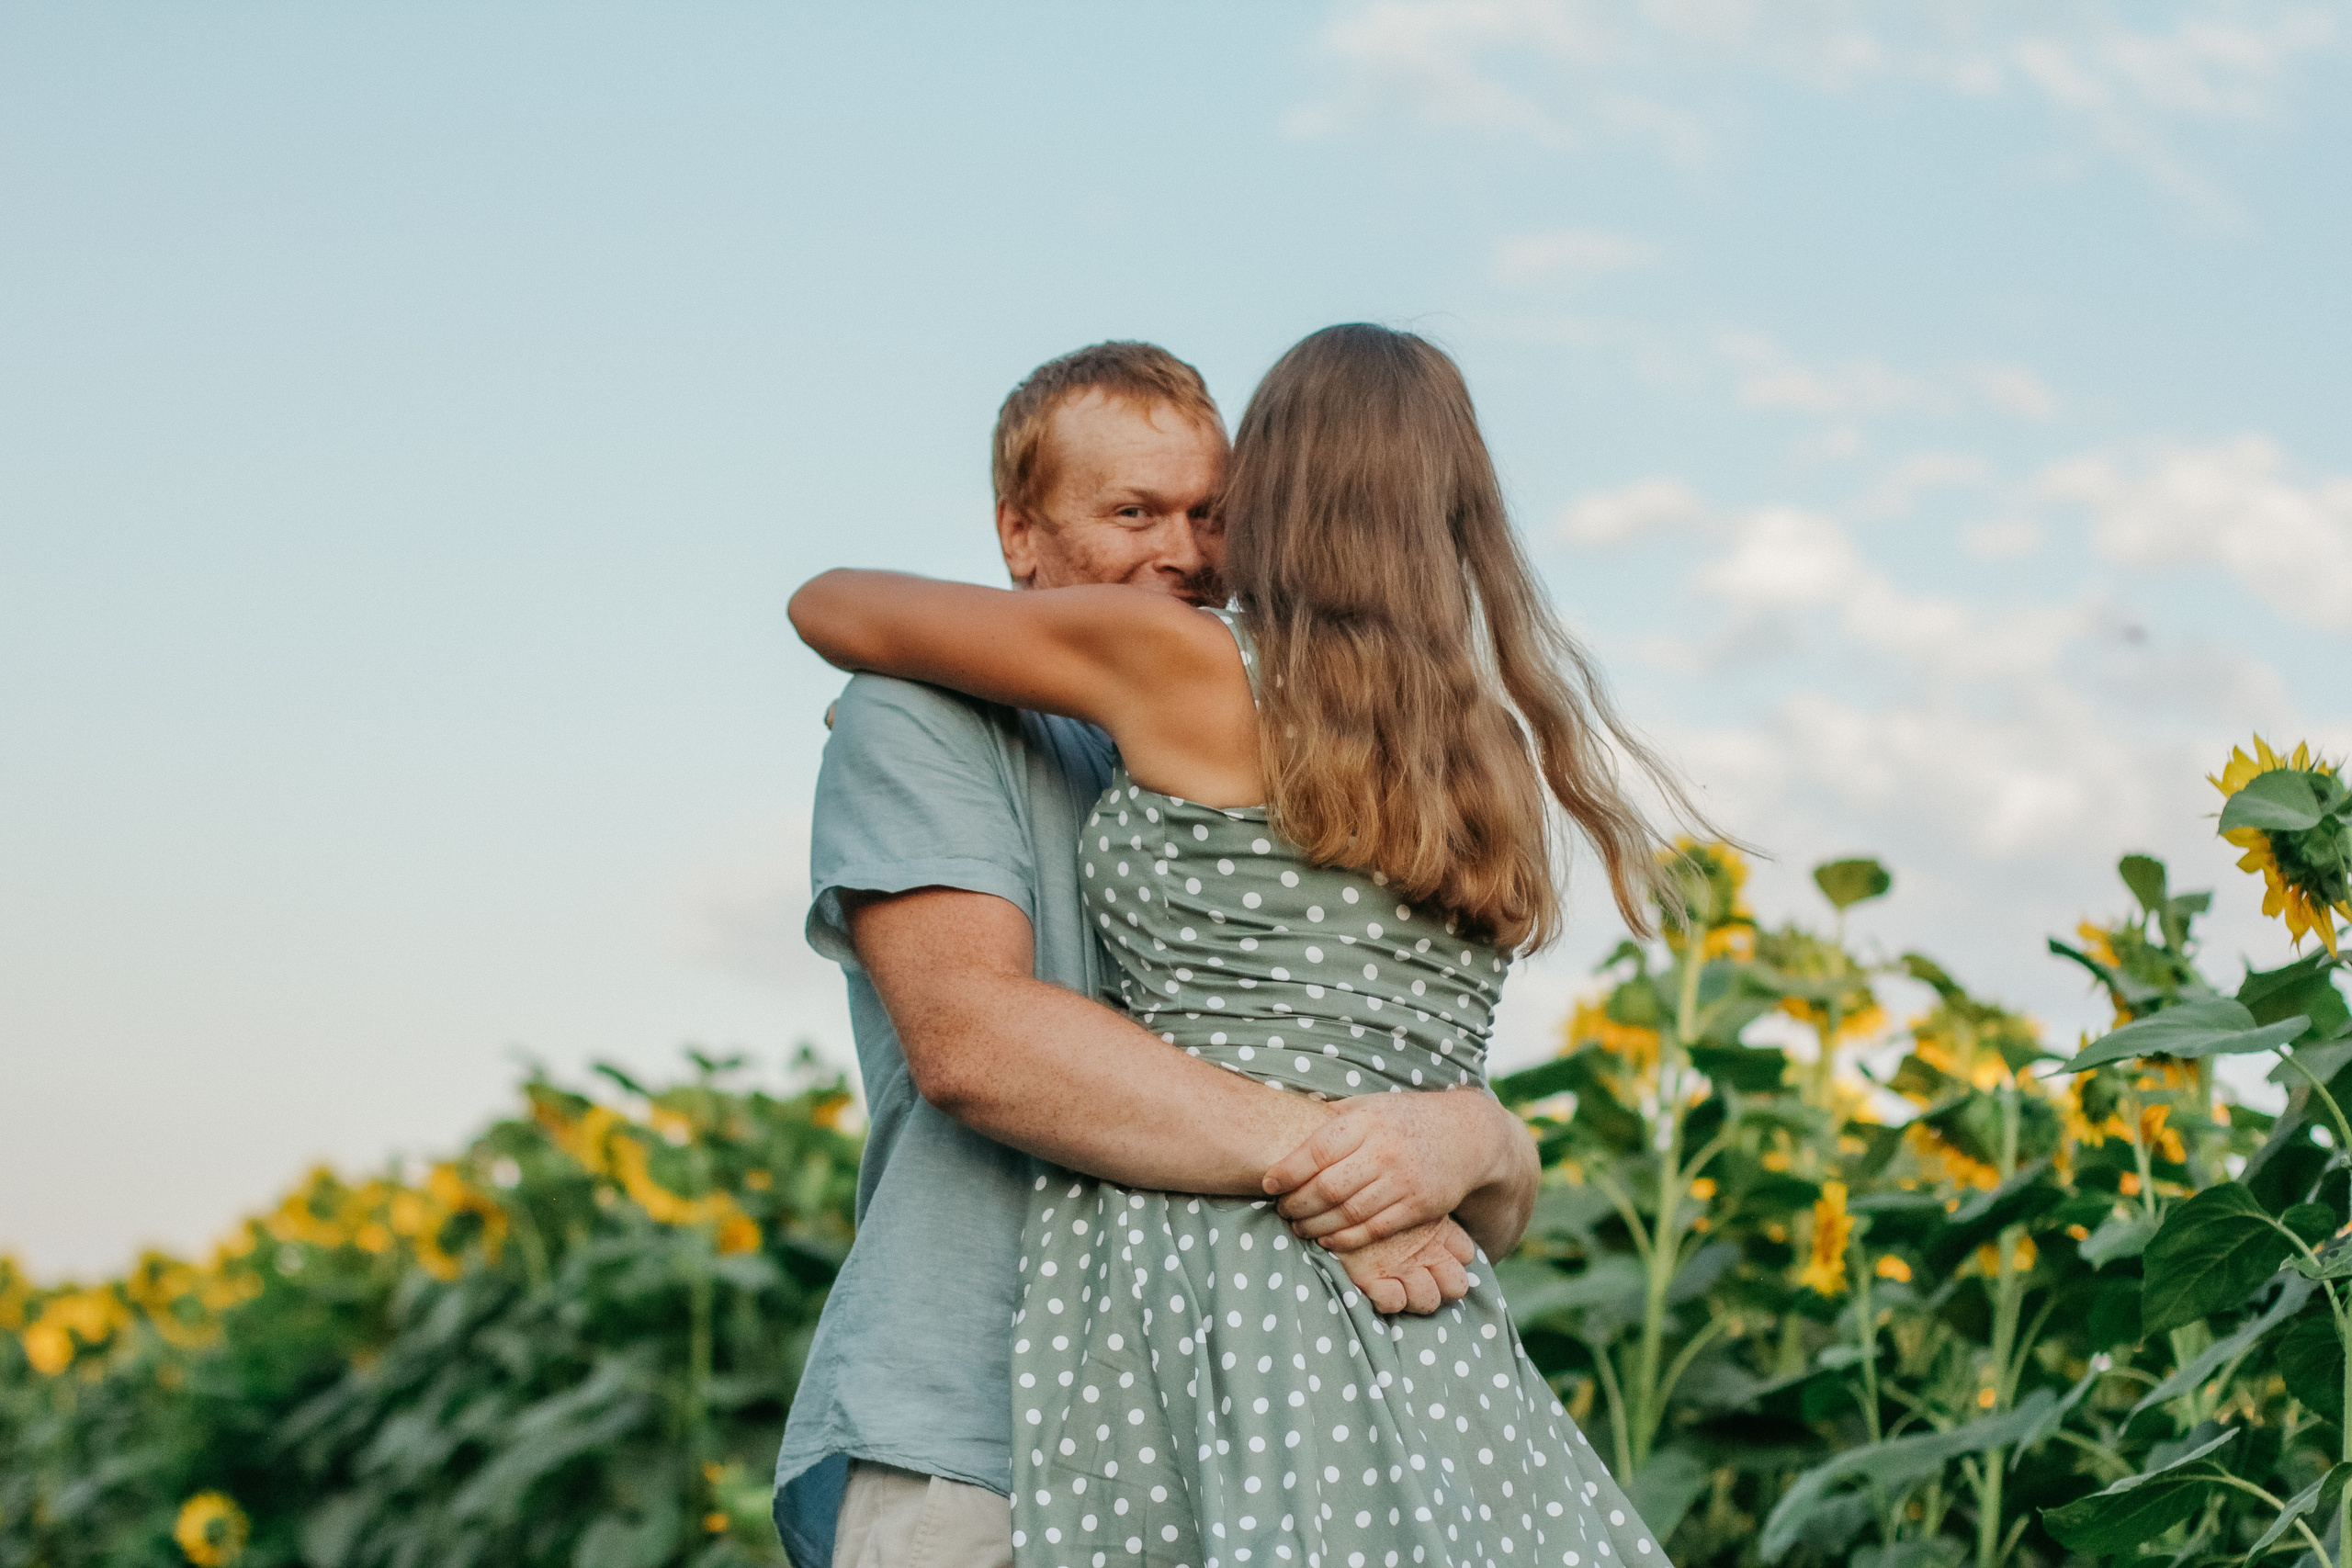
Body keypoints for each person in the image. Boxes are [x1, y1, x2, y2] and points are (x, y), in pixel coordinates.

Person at [790, 324, 1692, 1568]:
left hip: (1266, 1388)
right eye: (1132, 511)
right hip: (985, 1428)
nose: (1181, 550)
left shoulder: (1256, 716)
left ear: (1272, 505)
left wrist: (1474, 1139)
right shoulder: (932, 715)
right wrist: (1357, 1168)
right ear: (1019, 534)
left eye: (1212, 513)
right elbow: (975, 1045)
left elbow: (1472, 1170)